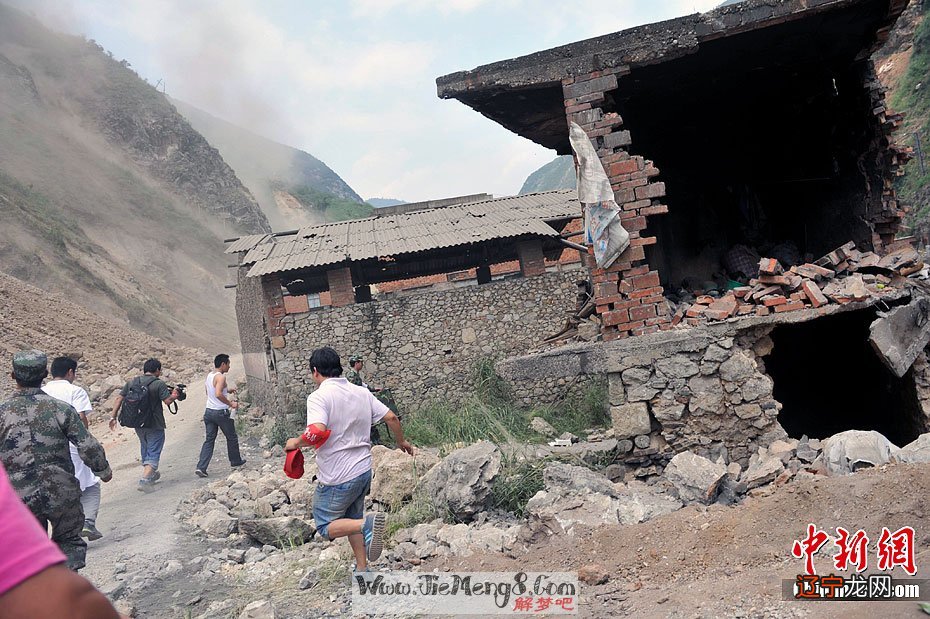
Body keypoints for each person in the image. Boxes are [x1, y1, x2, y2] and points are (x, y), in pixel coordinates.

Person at [285, 347, 413, 572]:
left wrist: (295, 442)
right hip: (363, 471)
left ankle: (368, 525)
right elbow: (391, 417)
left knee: (325, 525)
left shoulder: (318, 396)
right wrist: (401, 442)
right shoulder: (361, 393)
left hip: (338, 475)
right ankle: (362, 569)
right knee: (352, 517)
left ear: (315, 372)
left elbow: (316, 430)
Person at [0, 350, 112, 571]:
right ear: (44, 374)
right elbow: (87, 444)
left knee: (30, 553)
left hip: (20, 499)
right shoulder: (61, 409)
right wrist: (103, 470)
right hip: (61, 491)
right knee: (69, 545)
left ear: (13, 375)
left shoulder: (2, 413)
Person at [0, 460, 121, 619]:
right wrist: (102, 469)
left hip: (24, 493)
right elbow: (71, 602)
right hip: (59, 488)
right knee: (68, 541)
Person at [43, 356, 105, 541]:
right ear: (70, 372)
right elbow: (81, 419)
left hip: (48, 448)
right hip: (72, 446)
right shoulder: (75, 391)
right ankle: (88, 523)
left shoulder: (41, 391)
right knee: (91, 484)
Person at [108, 358, 179, 492]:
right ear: (157, 370)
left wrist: (113, 417)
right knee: (154, 449)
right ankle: (145, 480)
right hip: (155, 423)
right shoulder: (158, 384)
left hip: (137, 423)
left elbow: (119, 398)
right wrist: (175, 395)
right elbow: (168, 401)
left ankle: (150, 474)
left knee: (145, 446)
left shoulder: (132, 382)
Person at [195, 354, 246, 477]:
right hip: (220, 412)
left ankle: (201, 467)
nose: (229, 366)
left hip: (209, 412)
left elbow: (210, 391)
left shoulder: (210, 376)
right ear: (223, 364)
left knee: (209, 440)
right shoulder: (221, 377)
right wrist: (230, 403)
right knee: (231, 437)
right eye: (228, 364)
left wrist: (227, 390)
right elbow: (218, 394)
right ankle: (235, 462)